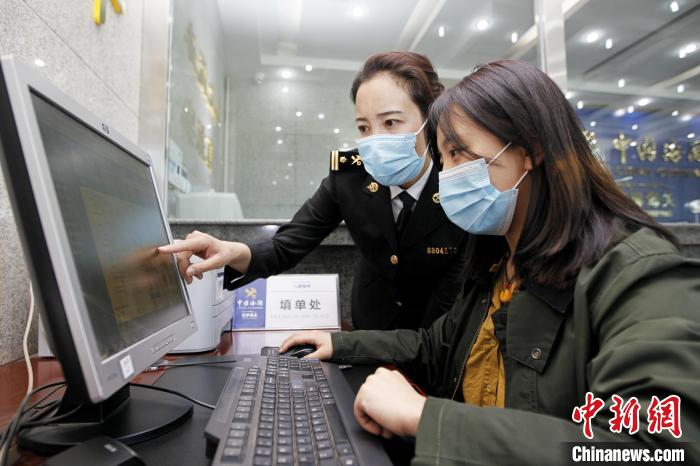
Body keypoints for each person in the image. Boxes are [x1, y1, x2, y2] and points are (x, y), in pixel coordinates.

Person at [278, 59, 700, 464]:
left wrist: (427, 419)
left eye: (460, 153)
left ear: (531, 150)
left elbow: (658, 448)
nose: (447, 175)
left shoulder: (637, 276)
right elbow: (436, 346)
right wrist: (341, 344)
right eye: (444, 159)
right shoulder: (498, 260)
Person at [160, 51, 468, 331]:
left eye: (390, 122)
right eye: (363, 127)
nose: (375, 140)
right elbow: (287, 245)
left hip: (438, 332)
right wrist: (233, 251)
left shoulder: (461, 182)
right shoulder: (350, 178)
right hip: (371, 326)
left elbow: (455, 299)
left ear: (430, 119)